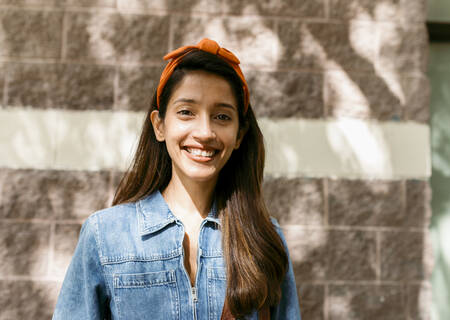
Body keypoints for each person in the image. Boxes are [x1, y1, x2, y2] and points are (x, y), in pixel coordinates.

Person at [52, 38, 301, 320]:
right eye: (186, 112)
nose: (205, 132)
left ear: (239, 135)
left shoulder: (264, 238)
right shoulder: (104, 235)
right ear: (160, 125)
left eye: (222, 116)